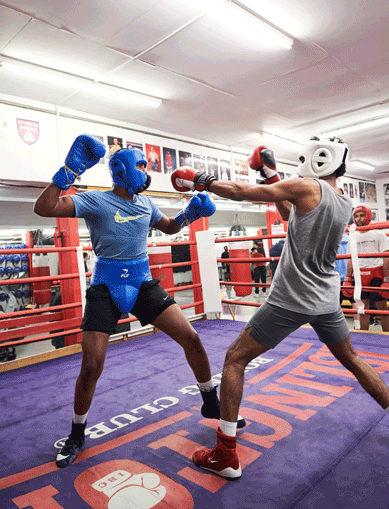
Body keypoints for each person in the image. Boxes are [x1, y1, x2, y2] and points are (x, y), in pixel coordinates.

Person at [171, 139, 389, 479]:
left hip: (291, 299)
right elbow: (293, 217)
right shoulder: (343, 202)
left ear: (318, 160)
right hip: (326, 299)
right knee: (353, 359)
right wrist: (269, 177)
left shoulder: (306, 185)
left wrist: (201, 180)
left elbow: (236, 191)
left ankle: (225, 454)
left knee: (235, 359)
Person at [34, 135, 243, 469]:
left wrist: (190, 213)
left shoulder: (146, 205)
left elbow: (172, 227)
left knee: (191, 337)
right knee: (92, 366)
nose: (146, 172)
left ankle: (210, 401)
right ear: (122, 169)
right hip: (106, 285)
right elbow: (44, 208)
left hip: (142, 283)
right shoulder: (95, 201)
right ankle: (76, 433)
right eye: (142, 165)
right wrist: (69, 171)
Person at [342, 206, 389, 332]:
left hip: (376, 274)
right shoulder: (353, 236)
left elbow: (386, 257)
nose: (359, 219)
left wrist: (388, 279)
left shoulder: (378, 234)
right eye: (356, 216)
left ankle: (388, 336)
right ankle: (364, 336)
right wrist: (348, 278)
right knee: (362, 309)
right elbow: (350, 259)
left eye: (362, 215)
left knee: (382, 309)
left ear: (368, 216)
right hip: (360, 276)